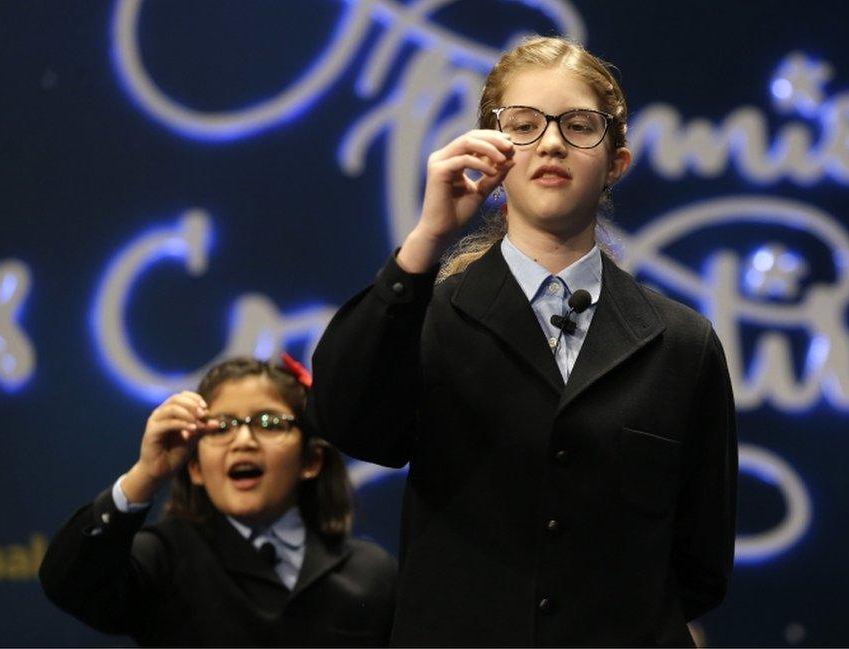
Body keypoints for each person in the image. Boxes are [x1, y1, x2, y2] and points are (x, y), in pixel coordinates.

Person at [308, 36, 737, 646]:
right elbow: (344, 420)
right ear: (491, 150)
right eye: (525, 125)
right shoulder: (426, 316)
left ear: (617, 162)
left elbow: (701, 562)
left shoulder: (683, 344)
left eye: (580, 126)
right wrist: (425, 241)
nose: (553, 142)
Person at [39, 355, 396, 647]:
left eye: (269, 423)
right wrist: (146, 474)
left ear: (310, 461)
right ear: (194, 467)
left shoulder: (372, 573)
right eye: (221, 427)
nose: (243, 440)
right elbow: (68, 585)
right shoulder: (163, 558)